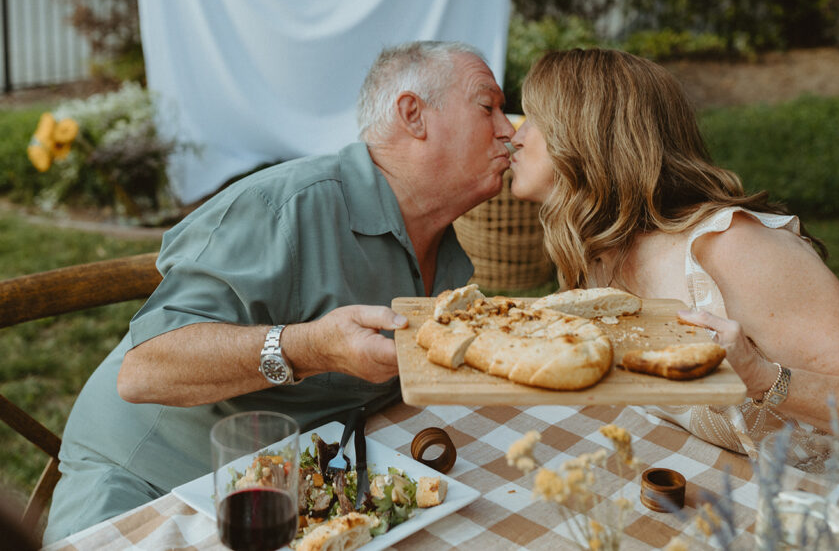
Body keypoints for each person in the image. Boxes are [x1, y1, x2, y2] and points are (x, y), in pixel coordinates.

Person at [508, 47, 839, 527]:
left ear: (586, 139)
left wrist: (759, 376)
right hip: (790, 503)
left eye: (534, 120)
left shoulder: (730, 249)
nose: (515, 135)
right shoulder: (601, 257)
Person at [43, 41, 515, 543]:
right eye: (489, 107)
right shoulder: (285, 208)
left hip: (297, 488)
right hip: (149, 478)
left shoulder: (447, 252)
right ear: (413, 115)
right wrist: (307, 347)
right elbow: (144, 371)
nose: (509, 130)